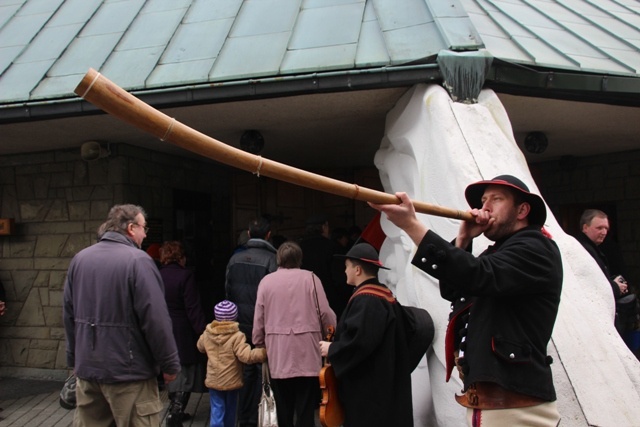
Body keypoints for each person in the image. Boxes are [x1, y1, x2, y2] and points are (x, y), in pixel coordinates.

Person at [370, 175, 563, 427]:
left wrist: (411, 225)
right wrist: (463, 239)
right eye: (483, 201)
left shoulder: (536, 248)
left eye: (497, 199)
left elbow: (476, 274)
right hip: (493, 402)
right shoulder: (501, 251)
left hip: (514, 406)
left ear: (523, 210)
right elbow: (455, 289)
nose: (485, 207)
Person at [63, 204, 180, 426]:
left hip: (88, 371)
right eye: (144, 228)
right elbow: (155, 319)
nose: (146, 234)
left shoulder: (80, 259)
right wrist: (170, 364)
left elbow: (69, 315)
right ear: (131, 228)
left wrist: (74, 359)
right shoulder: (138, 261)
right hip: (129, 373)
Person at [319, 243, 416, 427]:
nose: (345, 271)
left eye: (346, 266)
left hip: (370, 390)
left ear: (357, 269)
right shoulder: (386, 295)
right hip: (387, 381)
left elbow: (359, 342)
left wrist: (332, 348)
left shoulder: (366, 300)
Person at [253, 241, 337, 427]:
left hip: (278, 351)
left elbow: (259, 316)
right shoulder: (312, 279)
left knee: (283, 406)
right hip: (307, 350)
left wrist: (259, 341)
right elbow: (325, 312)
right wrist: (330, 332)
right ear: (300, 259)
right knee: (306, 407)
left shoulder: (266, 282)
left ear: (278, 259)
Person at [225, 217, 277, 427]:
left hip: (240, 324)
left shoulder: (234, 259)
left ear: (248, 233)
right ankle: (260, 416)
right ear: (269, 234)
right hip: (263, 325)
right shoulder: (272, 260)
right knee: (263, 371)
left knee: (245, 370)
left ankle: (244, 418)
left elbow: (228, 291)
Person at [160, 241, 208, 427]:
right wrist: (203, 332)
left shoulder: (157, 275)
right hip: (182, 330)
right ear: (181, 257)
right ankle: (176, 411)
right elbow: (192, 307)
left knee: (170, 369)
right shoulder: (185, 276)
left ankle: (174, 407)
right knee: (185, 372)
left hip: (162, 328)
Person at [197, 300, 267, 427]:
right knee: (231, 409)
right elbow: (246, 356)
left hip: (213, 380)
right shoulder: (237, 336)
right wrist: (263, 353)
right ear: (234, 317)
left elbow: (200, 346)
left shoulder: (208, 334)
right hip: (231, 380)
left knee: (217, 409)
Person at [576, 209, 636, 336]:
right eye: (599, 228)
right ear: (585, 227)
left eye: (606, 228)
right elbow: (589, 286)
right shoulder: (581, 250)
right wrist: (615, 287)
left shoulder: (595, 248)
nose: (604, 232)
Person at [300, 213, 349, 319]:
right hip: (330, 301)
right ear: (323, 227)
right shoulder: (333, 247)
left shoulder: (299, 248)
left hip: (305, 301)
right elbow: (339, 278)